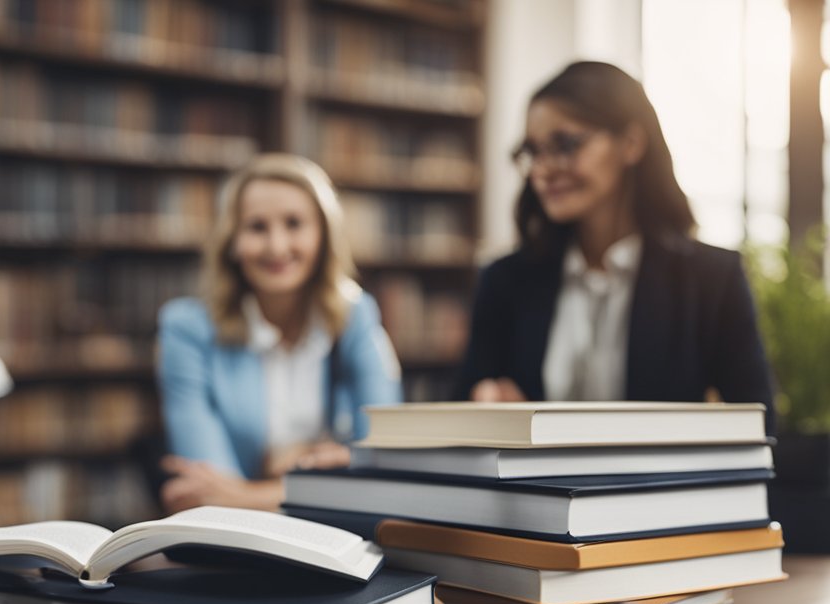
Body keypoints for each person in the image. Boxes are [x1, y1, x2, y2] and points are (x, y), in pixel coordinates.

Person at [455, 61, 774, 426]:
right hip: (531, 486)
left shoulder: (711, 280)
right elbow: (461, 408)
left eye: (564, 145)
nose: (542, 170)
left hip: (664, 485)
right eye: (534, 152)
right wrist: (484, 403)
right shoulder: (505, 281)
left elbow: (758, 430)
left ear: (631, 143)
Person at [156, 153, 403, 513]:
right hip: (236, 548)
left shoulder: (357, 315)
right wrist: (331, 477)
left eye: (294, 224)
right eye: (257, 227)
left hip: (337, 542)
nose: (277, 246)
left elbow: (389, 461)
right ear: (233, 241)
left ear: (323, 235)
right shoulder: (186, 330)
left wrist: (247, 493)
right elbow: (207, 497)